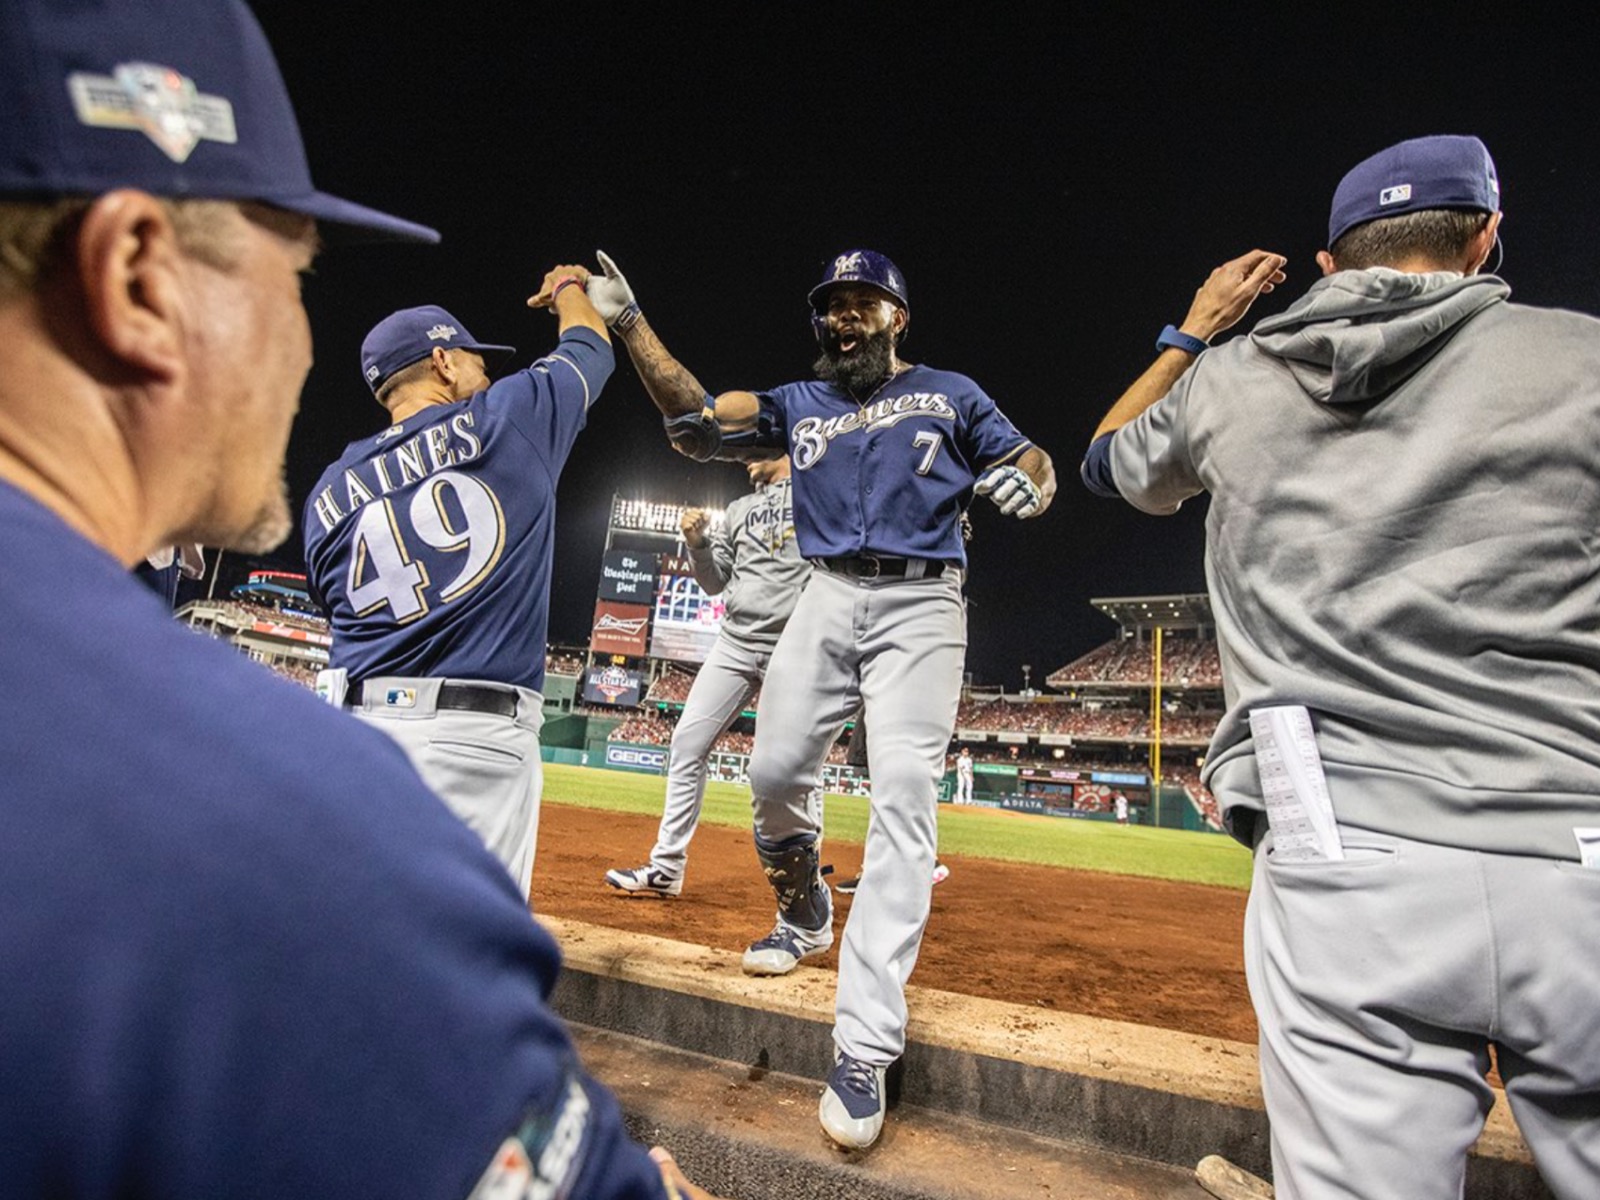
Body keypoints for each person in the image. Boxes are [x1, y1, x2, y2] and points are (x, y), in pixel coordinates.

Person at [0, 2, 709, 1196]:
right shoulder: (263, 818)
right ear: (134, 277)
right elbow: (585, 356)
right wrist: (583, 293)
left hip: (362, 698)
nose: (293, 337)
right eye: (291, 273)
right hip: (461, 737)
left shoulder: (328, 485)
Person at [1083, 134, 1600, 1199]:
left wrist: (1194, 330)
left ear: (1331, 264)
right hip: (1579, 842)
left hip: (1341, 859)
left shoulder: (1231, 380)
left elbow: (1108, 459)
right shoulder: (1585, 358)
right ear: (1487, 236)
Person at [584, 247, 1057, 1150]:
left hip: (924, 599)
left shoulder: (950, 392)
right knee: (771, 773)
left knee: (907, 794)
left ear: (897, 316)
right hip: (827, 592)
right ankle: (805, 908)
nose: (844, 318)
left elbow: (1032, 459)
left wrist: (1028, 483)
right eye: (832, 306)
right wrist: (630, 323)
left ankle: (865, 1041)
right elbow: (692, 421)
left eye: (863, 303)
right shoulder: (798, 407)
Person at [303, 287, 609, 898]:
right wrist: (571, 288)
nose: (485, 368)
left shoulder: (328, 491)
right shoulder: (507, 416)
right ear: (442, 362)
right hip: (473, 743)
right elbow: (590, 347)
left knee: (353, 933)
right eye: (474, 357)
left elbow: (332, 600)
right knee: (467, 962)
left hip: (352, 736)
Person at [606, 456, 820, 897]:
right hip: (736, 643)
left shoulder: (819, 495)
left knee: (796, 767)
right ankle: (667, 868)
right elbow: (714, 583)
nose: (747, 461)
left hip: (794, 647)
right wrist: (698, 543)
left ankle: (808, 878)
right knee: (687, 743)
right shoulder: (739, 509)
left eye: (756, 451)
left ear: (782, 450)